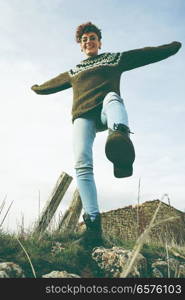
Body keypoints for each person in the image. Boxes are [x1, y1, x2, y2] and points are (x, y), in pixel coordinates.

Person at [31, 22, 181, 248]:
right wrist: (38, 87)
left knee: (112, 97)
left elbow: (142, 54)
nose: (88, 41)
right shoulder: (74, 72)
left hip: (105, 112)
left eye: (92, 38)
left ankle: (119, 137)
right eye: (84, 40)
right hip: (83, 116)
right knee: (81, 162)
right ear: (80, 47)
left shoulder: (113, 59)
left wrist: (169, 47)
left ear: (99, 42)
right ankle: (93, 226)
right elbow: (54, 82)